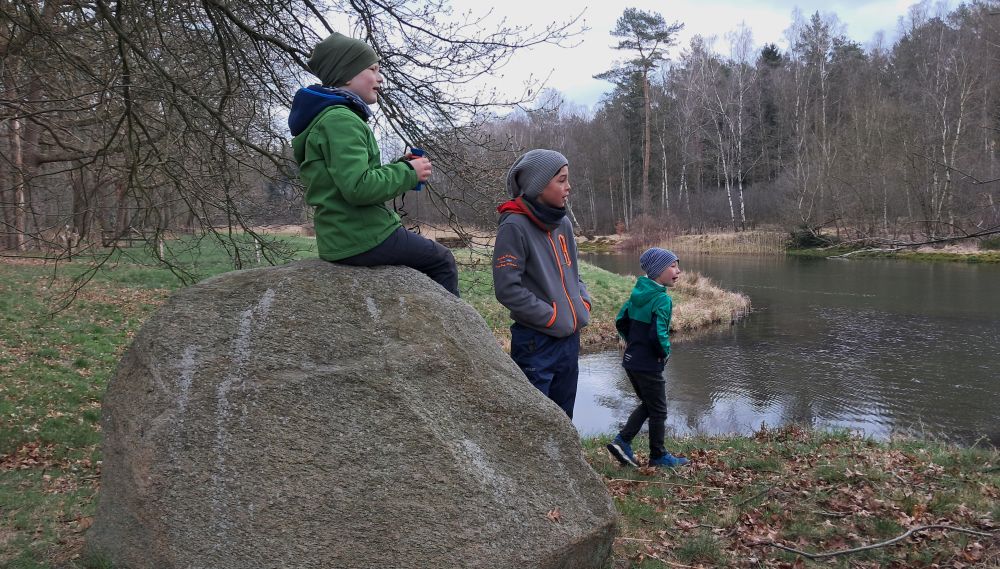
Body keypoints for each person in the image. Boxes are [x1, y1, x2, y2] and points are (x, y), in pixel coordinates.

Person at [288, 32, 459, 297]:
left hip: (341, 235)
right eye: (373, 69)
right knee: (442, 260)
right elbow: (359, 188)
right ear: (347, 74)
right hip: (362, 236)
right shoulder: (341, 120)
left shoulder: (328, 118)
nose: (380, 78)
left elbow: (350, 179)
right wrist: (407, 173)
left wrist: (399, 167)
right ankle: (450, 335)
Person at [492, 149, 591, 418]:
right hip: (536, 343)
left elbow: (575, 273)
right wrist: (552, 317)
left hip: (569, 340)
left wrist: (582, 303)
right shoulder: (514, 225)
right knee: (535, 423)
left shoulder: (564, 225)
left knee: (563, 417)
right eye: (561, 180)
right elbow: (507, 289)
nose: (568, 187)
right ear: (538, 185)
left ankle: (566, 463)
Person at [606, 247, 690, 468]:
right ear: (657, 271)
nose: (678, 271)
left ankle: (622, 442)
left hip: (631, 361)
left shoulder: (638, 293)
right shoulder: (661, 299)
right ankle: (656, 454)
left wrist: (632, 342)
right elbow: (658, 333)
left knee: (650, 403)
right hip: (648, 364)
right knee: (659, 408)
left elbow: (621, 320)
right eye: (672, 266)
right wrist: (665, 353)